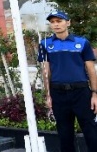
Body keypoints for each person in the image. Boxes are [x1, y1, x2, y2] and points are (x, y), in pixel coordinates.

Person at [38, 10, 97, 152]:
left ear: (68, 22)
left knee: (91, 131)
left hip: (81, 93)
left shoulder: (82, 43)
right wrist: (48, 95)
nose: (56, 24)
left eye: (59, 21)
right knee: (65, 135)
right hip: (58, 94)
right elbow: (46, 72)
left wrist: (95, 94)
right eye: (52, 22)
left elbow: (91, 69)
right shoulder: (45, 44)